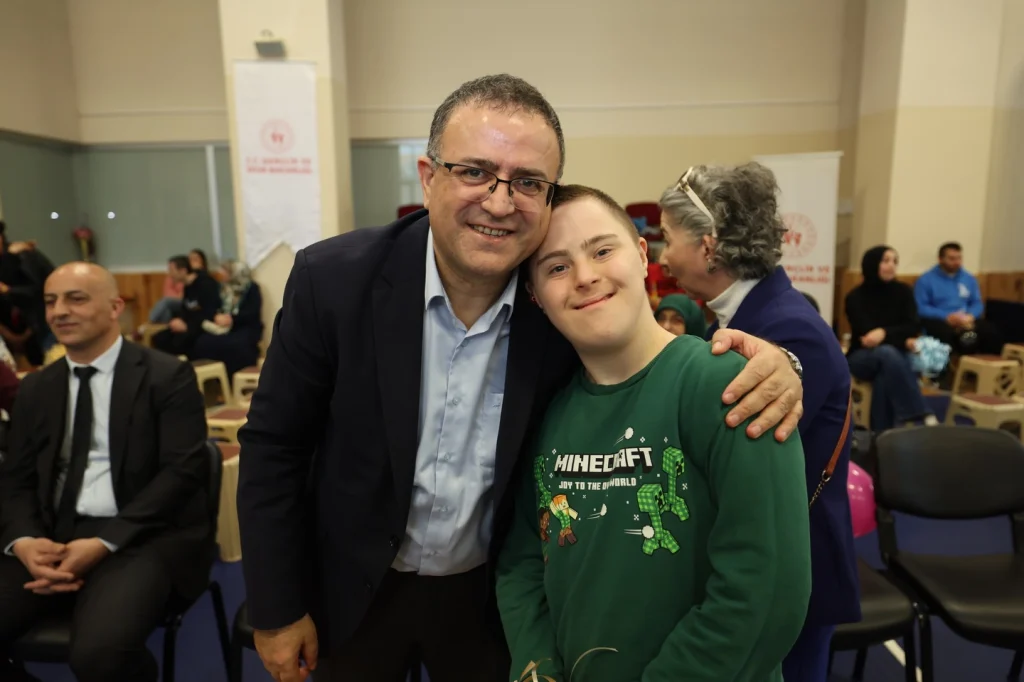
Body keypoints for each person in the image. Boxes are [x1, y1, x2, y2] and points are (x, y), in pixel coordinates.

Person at [237, 74, 805, 682]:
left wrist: (787, 364)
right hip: (354, 589)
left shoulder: (558, 313)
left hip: (488, 603)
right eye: (474, 171)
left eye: (529, 182)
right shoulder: (333, 283)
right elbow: (275, 446)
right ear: (429, 178)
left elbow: (642, 356)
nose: (500, 201)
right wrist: (276, 607)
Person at [496, 185, 812, 682]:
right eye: (556, 267)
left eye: (603, 251)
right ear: (535, 295)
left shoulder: (732, 386)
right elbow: (521, 562)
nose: (585, 276)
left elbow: (766, 590)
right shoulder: (545, 412)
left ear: (643, 255)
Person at [658, 163, 860, 682]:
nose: (662, 257)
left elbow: (733, 451)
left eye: (667, 238)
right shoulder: (746, 315)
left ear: (707, 246)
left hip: (787, 571)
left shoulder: (790, 331)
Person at [0, 262, 212, 682]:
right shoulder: (37, 388)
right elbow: (17, 478)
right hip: (50, 535)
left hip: (139, 534)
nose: (60, 311)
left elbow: (181, 474)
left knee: (101, 655)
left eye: (76, 299)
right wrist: (24, 542)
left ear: (116, 307)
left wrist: (104, 542)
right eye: (50, 301)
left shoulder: (167, 377)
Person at [845, 246, 938, 430]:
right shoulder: (855, 297)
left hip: (895, 357)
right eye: (886, 261)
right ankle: (921, 411)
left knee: (885, 373)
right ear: (872, 264)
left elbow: (913, 326)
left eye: (895, 261)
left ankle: (881, 434)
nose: (892, 266)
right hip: (862, 357)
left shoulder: (904, 291)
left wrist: (884, 333)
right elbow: (867, 337)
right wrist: (900, 338)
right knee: (887, 354)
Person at [914, 242, 1003, 355]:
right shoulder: (925, 280)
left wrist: (970, 316)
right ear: (940, 259)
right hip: (940, 320)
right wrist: (946, 316)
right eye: (952, 259)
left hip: (966, 318)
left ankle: (986, 363)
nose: (957, 262)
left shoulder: (969, 278)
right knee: (945, 334)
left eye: (959, 258)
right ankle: (951, 365)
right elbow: (920, 307)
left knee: (990, 331)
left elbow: (977, 303)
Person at [191, 260, 263, 376]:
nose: (222, 274)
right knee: (202, 342)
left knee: (236, 345)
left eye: (225, 271)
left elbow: (252, 312)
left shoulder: (251, 288)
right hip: (222, 326)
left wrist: (232, 319)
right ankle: (213, 378)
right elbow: (212, 307)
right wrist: (216, 316)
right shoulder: (221, 288)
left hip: (244, 326)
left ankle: (233, 378)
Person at [151, 254, 221, 357]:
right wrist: (179, 320)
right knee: (158, 338)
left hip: (203, 326)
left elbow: (209, 313)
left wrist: (187, 326)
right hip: (189, 324)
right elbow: (186, 309)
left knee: (178, 342)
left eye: (171, 270)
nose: (169, 275)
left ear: (183, 271)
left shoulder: (206, 284)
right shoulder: (187, 286)